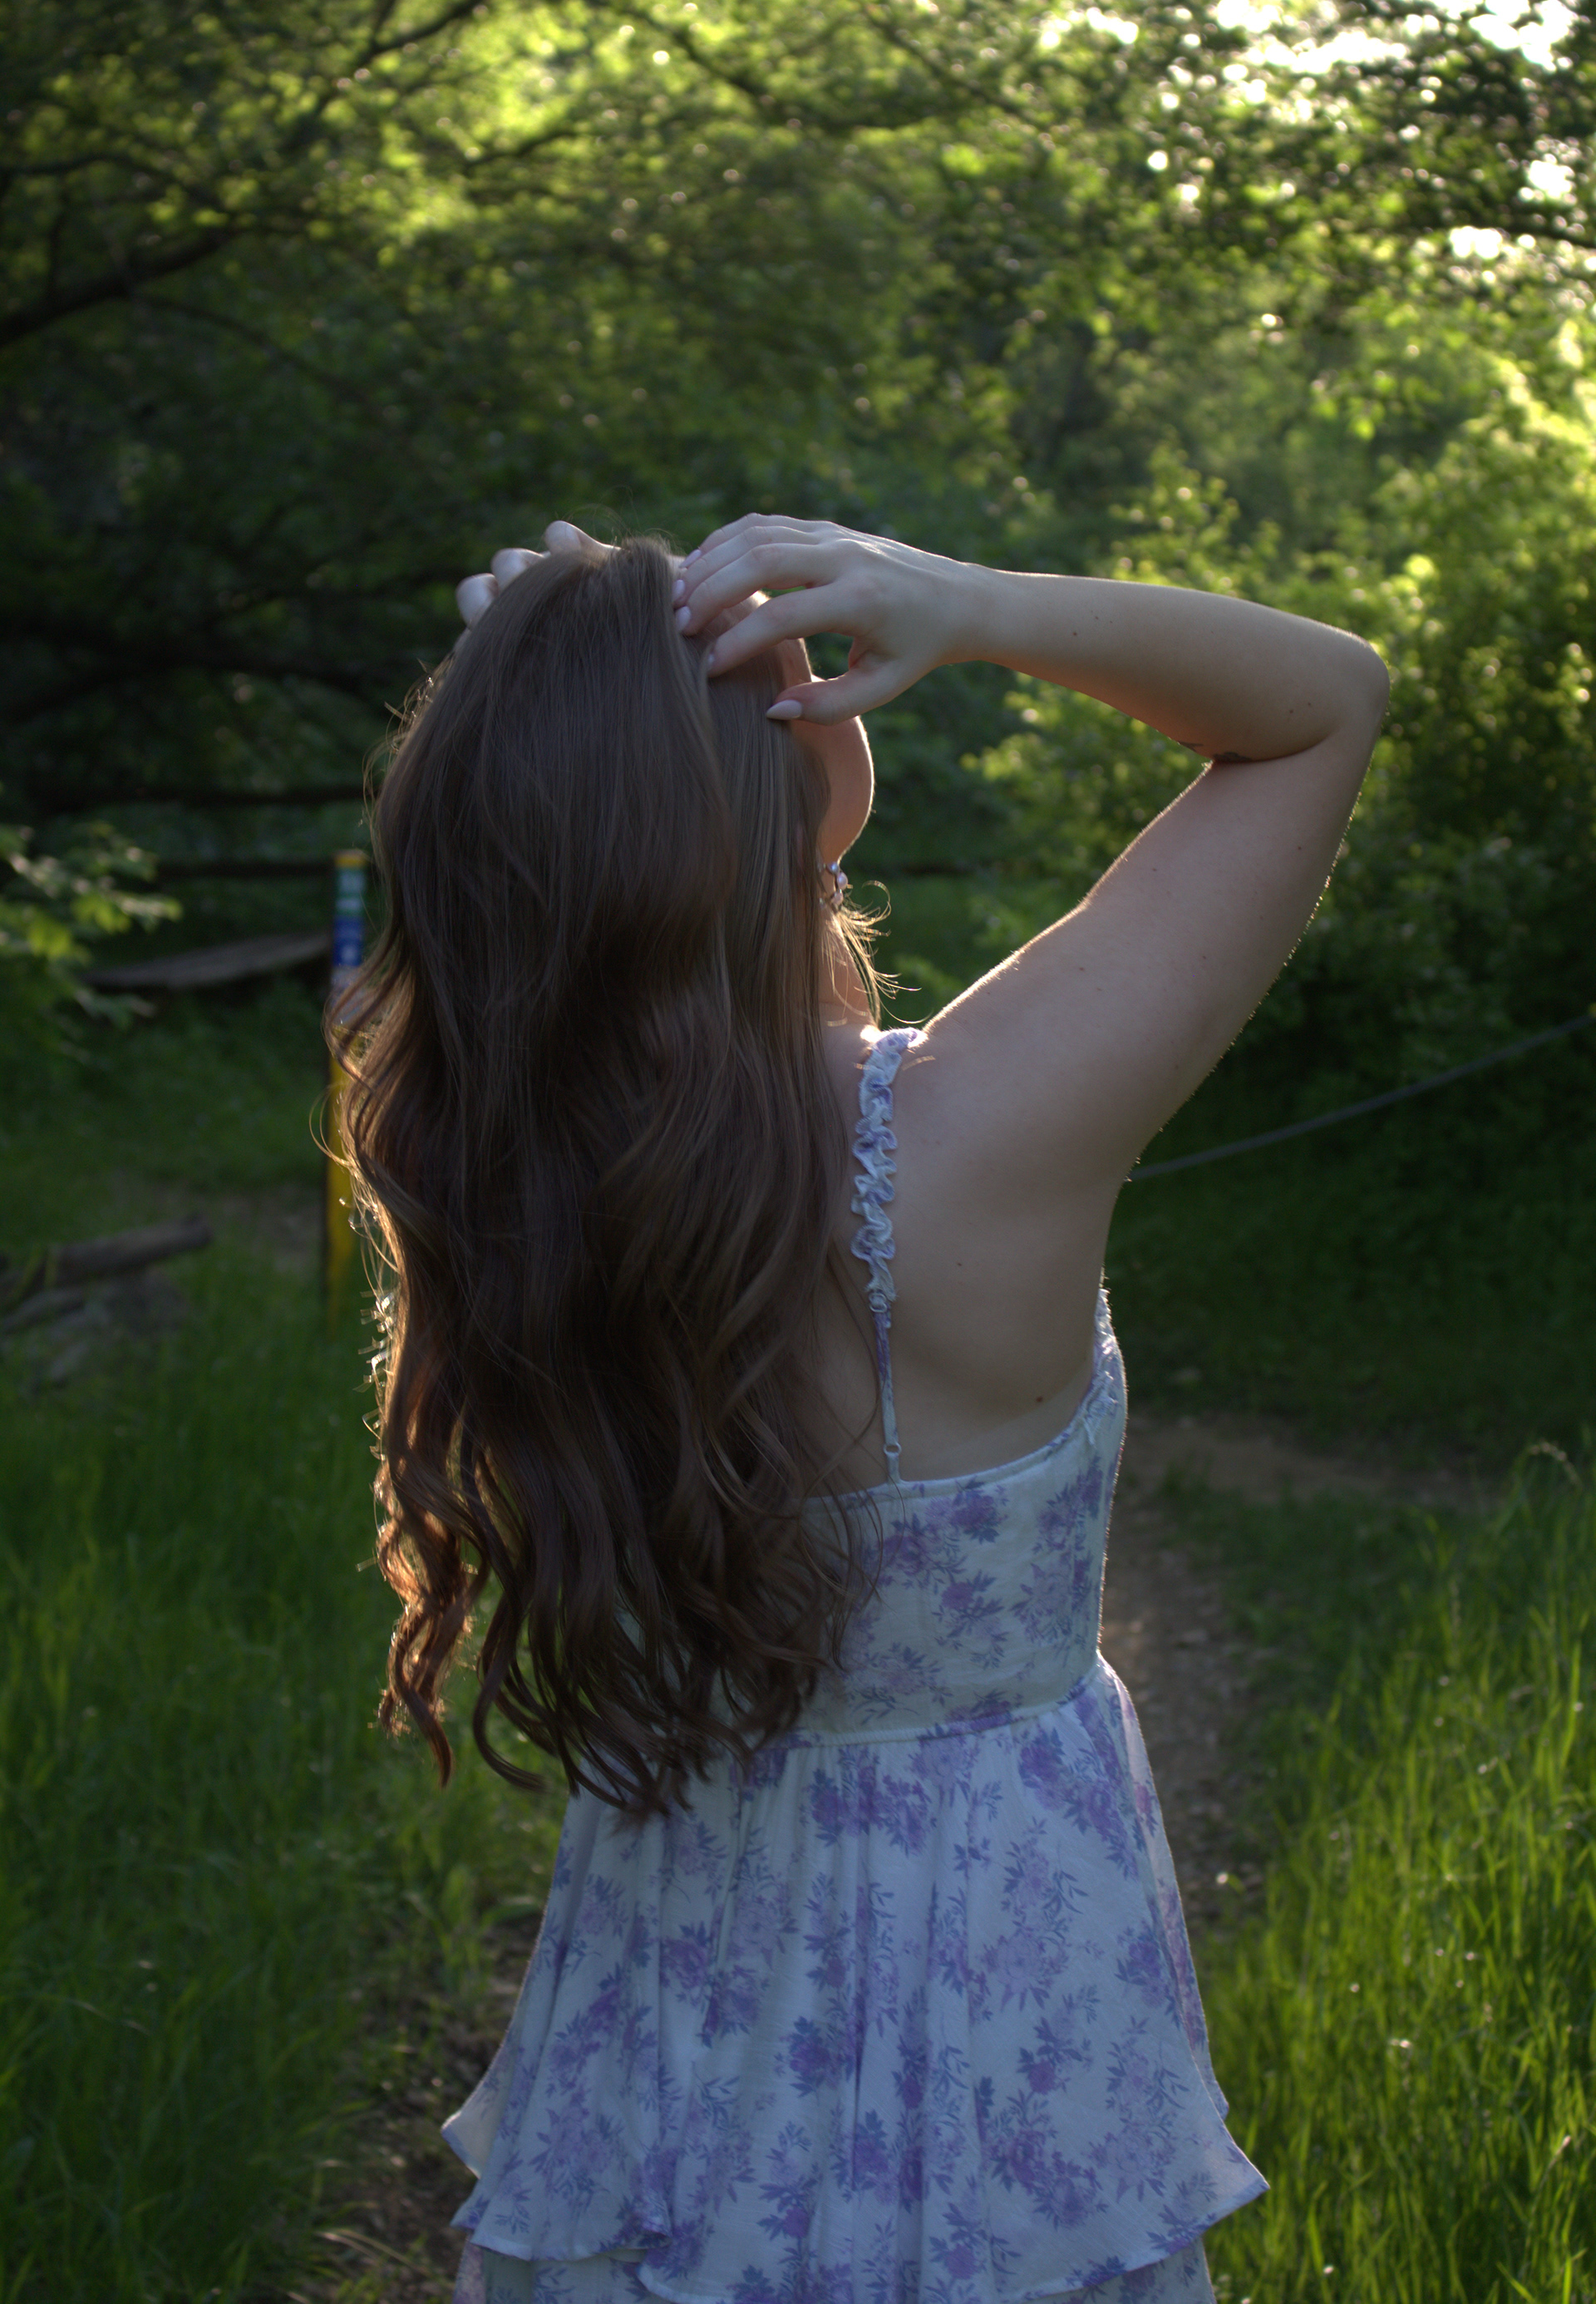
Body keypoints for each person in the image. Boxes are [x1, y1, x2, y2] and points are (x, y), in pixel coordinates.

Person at [337, 515, 1387, 2304]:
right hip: (1004, 1992)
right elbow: (1322, 703)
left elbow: (567, 898)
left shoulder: (496, 1162)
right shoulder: (967, 1139)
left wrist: (548, 696)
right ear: (770, 809)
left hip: (681, 2004)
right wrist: (968, 604)